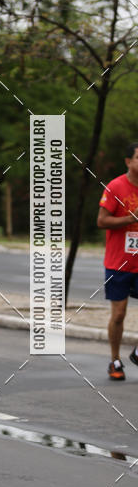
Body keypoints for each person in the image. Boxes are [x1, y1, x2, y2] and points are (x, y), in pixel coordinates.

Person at [97, 142, 138, 380]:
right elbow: (101, 221)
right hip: (119, 263)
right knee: (119, 314)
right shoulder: (115, 187)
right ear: (128, 162)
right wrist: (129, 219)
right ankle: (115, 360)